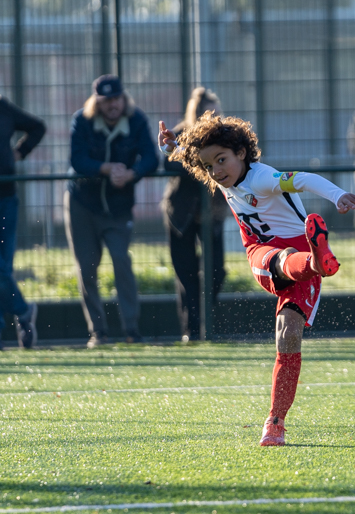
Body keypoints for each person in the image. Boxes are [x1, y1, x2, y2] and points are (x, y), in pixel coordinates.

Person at [160, 113, 355, 446]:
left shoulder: (263, 178)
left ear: (241, 152)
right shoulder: (222, 173)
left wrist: (337, 196)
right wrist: (174, 146)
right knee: (276, 261)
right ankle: (316, 261)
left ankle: (275, 423)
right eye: (210, 166)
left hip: (299, 248)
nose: (216, 171)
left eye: (222, 160)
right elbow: (194, 155)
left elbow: (304, 179)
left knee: (288, 334)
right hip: (263, 252)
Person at [66, 75, 158, 349]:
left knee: (121, 260)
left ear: (123, 98)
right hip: (83, 204)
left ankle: (131, 328)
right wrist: (106, 169)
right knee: (87, 268)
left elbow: (151, 158)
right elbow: (77, 159)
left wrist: (132, 173)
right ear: (97, 102)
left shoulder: (137, 120)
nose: (112, 105)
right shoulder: (82, 120)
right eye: (106, 100)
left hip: (118, 207)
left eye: (116, 98)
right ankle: (98, 332)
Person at [162, 87, 229, 343]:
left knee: (216, 271)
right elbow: (167, 162)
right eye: (205, 113)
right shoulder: (180, 134)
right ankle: (191, 330)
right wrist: (177, 150)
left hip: (212, 214)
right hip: (181, 214)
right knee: (186, 273)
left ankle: (206, 322)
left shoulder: (226, 137)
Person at [0, 95, 45, 349]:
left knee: (3, 269)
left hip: (5, 198)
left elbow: (38, 127)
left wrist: (19, 153)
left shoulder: (4, 108)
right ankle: (24, 311)